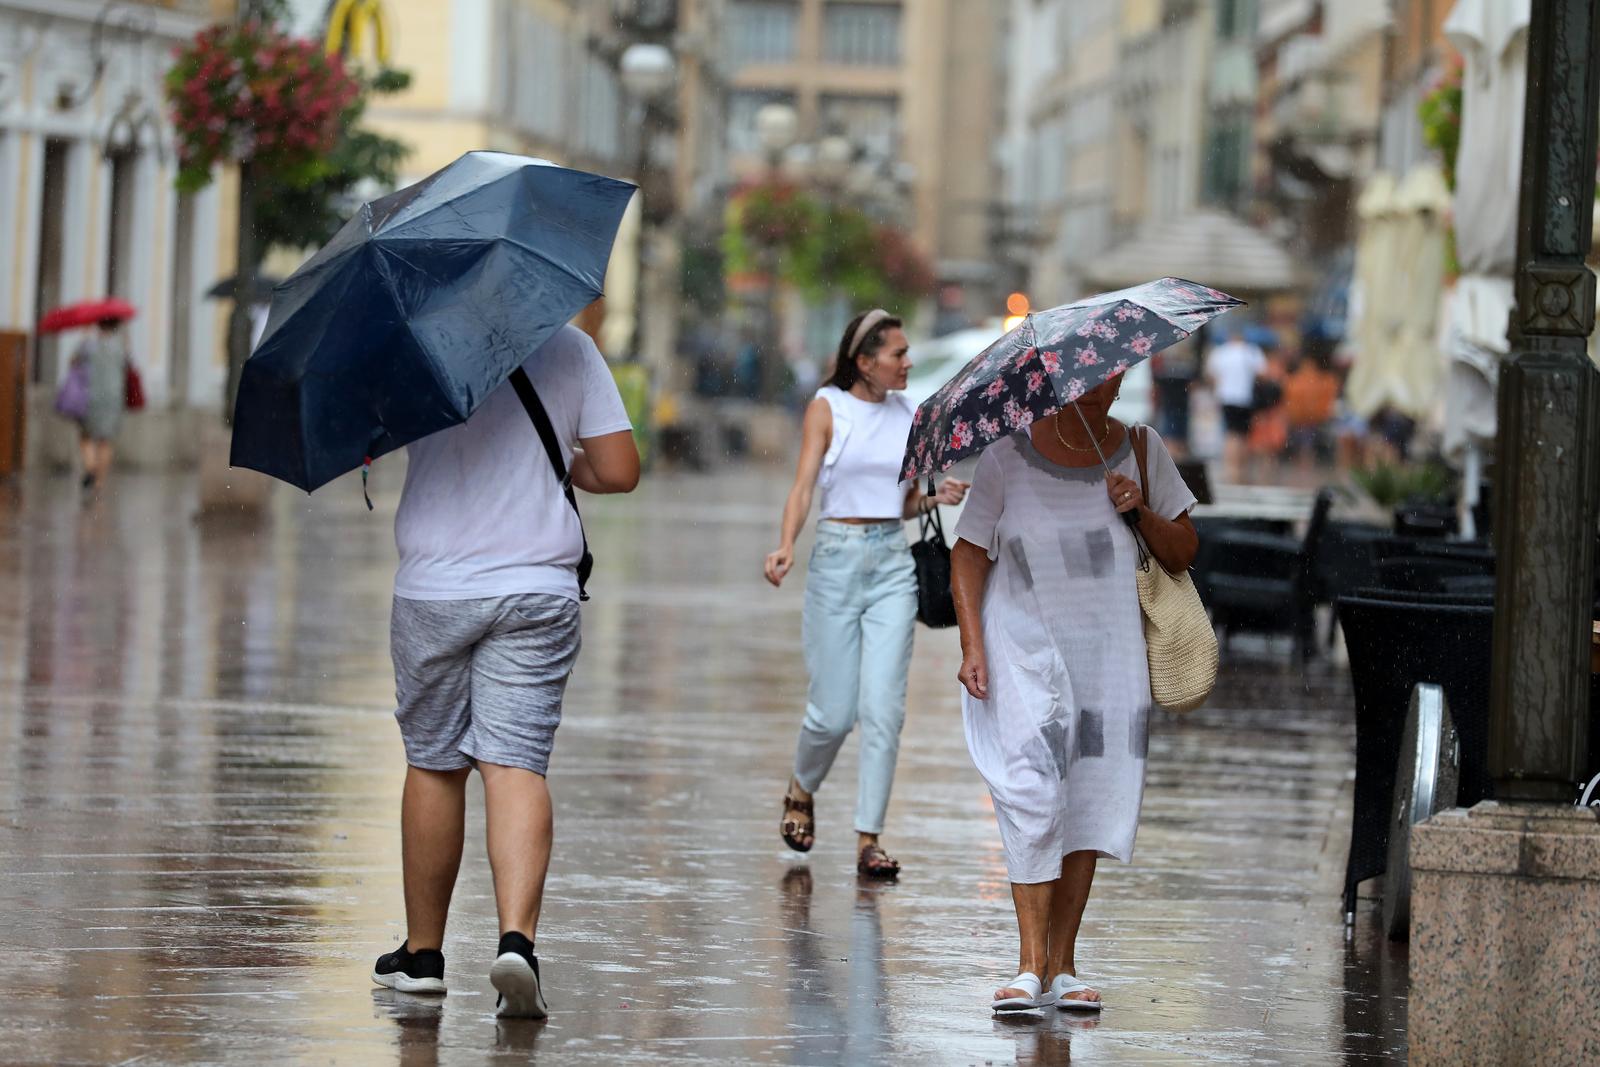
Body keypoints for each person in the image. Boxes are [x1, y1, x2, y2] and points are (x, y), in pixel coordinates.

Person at [371, 319, 641, 1019]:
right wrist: (561, 461)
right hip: (536, 586)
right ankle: (517, 943)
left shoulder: (415, 342)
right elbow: (619, 469)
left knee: (434, 763)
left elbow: (372, 437)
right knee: (516, 763)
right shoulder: (570, 347)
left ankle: (424, 956)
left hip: (435, 585)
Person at [948, 374, 1198, 1014]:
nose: (1107, 384)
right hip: (1021, 651)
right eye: (1093, 375)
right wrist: (972, 645)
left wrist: (1137, 509)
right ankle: (1029, 964)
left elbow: (1184, 549)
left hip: (1108, 657)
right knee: (1031, 790)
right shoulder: (1007, 455)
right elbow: (970, 553)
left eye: (1115, 374)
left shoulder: (1142, 449)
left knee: (1088, 791)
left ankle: (1063, 965)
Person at [764, 310, 968, 879]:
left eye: (907, 354)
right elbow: (804, 486)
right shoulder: (828, 409)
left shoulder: (911, 415)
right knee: (832, 714)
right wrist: (786, 545)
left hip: (891, 565)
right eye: (897, 355)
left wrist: (935, 496)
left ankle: (869, 837)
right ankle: (802, 786)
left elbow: (900, 502)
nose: (907, 363)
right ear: (864, 362)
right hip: (835, 557)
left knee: (884, 709)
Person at [1203, 327, 1267, 483]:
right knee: (1243, 434)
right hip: (1245, 398)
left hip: (1226, 397)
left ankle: (1231, 467)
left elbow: (1210, 375)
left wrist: (1218, 387)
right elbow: (1262, 373)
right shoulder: (1251, 352)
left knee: (1230, 433)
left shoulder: (1220, 352)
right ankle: (1240, 467)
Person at [72, 317, 128, 490]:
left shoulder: (88, 345)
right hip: (113, 399)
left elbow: (73, 363)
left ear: (99, 325)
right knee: (105, 441)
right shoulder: (120, 347)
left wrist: (83, 340)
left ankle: (90, 467)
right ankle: (99, 482)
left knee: (86, 436)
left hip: (90, 396)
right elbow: (128, 367)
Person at [1283, 353, 1341, 477]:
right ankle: (1305, 469)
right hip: (1309, 418)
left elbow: (1290, 398)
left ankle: (1303, 469)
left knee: (1303, 445)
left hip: (1302, 419)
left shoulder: (1296, 380)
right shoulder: (1320, 380)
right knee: (1306, 445)